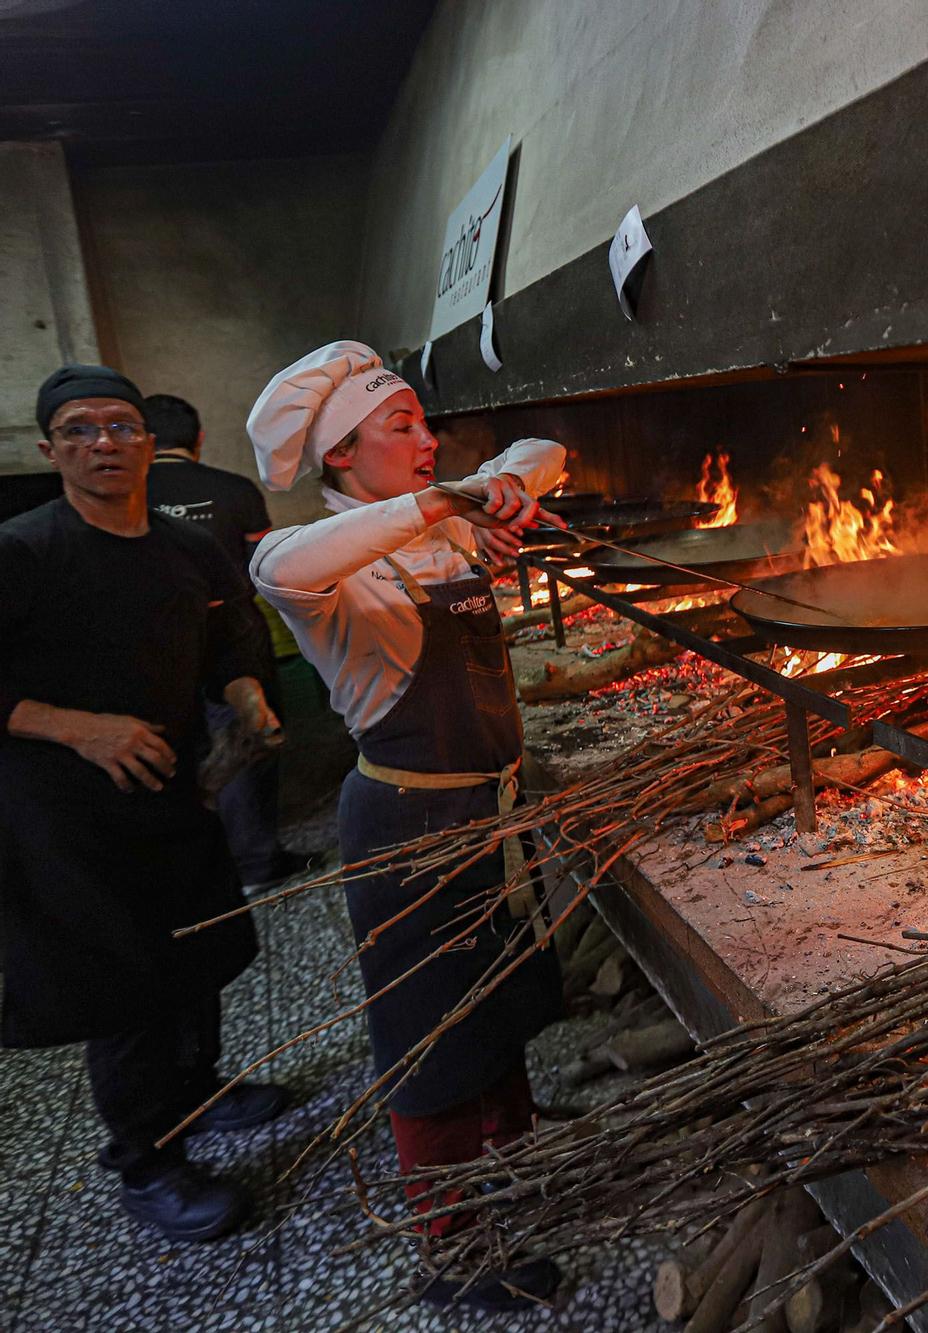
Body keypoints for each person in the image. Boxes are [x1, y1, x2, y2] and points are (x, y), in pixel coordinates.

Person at [247, 341, 566, 1311]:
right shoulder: (324, 567)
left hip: (487, 811)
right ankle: (453, 1248)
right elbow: (281, 564)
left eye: (426, 423)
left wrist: (495, 488)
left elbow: (547, 446)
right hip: (406, 821)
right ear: (341, 457)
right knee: (427, 1040)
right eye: (402, 429)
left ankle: (512, 1175)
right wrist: (450, 498)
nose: (427, 441)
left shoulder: (444, 536)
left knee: (499, 1009)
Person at [0, 365, 291, 1242]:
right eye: (81, 430)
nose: (104, 444)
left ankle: (196, 1091)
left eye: (120, 427)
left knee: (194, 949)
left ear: (147, 442)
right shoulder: (22, 552)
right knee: (121, 981)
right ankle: (146, 1161)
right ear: (50, 449)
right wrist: (80, 728)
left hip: (172, 784)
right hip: (62, 812)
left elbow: (229, 633)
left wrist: (244, 695)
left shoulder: (186, 548)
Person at [143, 392, 306, 891]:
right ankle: (256, 864)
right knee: (245, 738)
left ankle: (191, 866)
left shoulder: (128, 493)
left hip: (152, 643)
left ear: (143, 440)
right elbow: (265, 568)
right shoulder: (234, 490)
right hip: (230, 632)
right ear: (200, 438)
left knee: (169, 746)